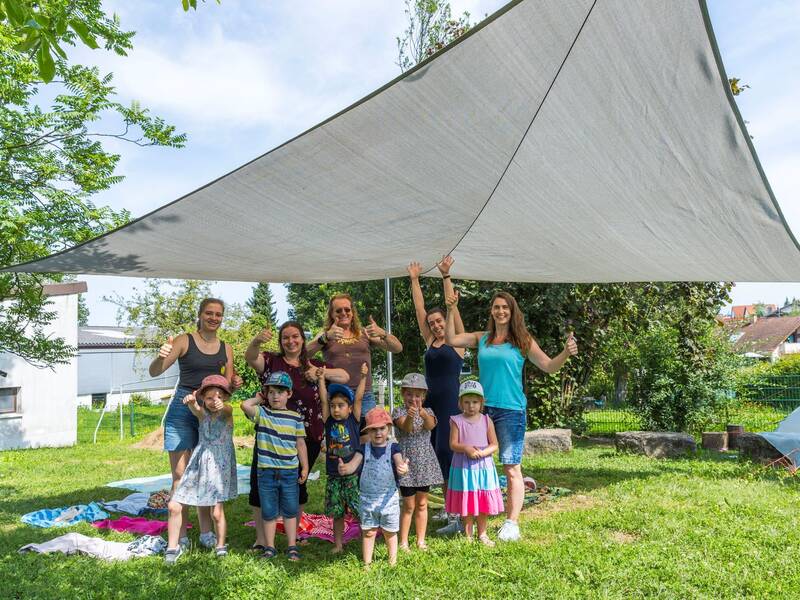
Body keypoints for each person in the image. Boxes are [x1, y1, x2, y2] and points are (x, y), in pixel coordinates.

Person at [445, 288, 577, 542]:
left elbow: (549, 367)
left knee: (511, 466)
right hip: (483, 412)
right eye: (496, 307)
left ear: (512, 311)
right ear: (492, 311)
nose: (501, 311)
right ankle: (468, 518)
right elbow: (451, 339)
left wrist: (565, 353)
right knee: (475, 465)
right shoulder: (482, 338)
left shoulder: (522, 341)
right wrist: (452, 308)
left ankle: (511, 523)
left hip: (511, 411)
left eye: (505, 307)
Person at [244, 321, 349, 551]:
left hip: (305, 435)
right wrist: (256, 341)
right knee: (259, 484)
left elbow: (344, 375)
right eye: (285, 338)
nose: (290, 341)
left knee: (298, 483)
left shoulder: (312, 364)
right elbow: (251, 357)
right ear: (281, 342)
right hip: (270, 436)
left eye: (295, 337)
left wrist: (321, 373)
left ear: (303, 339)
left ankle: (296, 533)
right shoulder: (272, 361)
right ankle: (262, 539)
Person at [149, 297, 240, 550]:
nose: (214, 318)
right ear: (200, 315)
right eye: (209, 313)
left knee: (206, 473)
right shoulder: (183, 340)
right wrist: (160, 356)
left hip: (210, 411)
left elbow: (227, 384)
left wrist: (235, 384)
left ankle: (206, 532)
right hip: (183, 406)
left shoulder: (227, 348)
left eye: (218, 314)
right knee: (180, 474)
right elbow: (154, 371)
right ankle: (181, 535)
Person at [408, 256, 465, 534]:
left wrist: (446, 276)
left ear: (446, 321)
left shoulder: (457, 342)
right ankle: (448, 506)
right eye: (432, 323)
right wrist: (415, 280)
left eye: (439, 321)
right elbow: (420, 309)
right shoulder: (430, 340)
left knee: (448, 453)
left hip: (451, 407)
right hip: (429, 406)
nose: (435, 325)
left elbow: (451, 305)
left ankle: (456, 511)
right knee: (432, 454)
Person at [165, 375, 237, 564]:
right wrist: (190, 401)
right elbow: (195, 409)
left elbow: (227, 410)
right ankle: (172, 549)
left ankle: (220, 545)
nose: (215, 401)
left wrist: (223, 406)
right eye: (210, 398)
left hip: (219, 467)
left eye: (219, 397)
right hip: (199, 464)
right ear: (203, 399)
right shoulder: (202, 414)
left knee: (216, 512)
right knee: (174, 504)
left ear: (226, 398)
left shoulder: (227, 413)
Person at [241, 371, 309, 561]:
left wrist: (304, 467)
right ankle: (269, 547)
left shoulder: (295, 418)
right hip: (267, 472)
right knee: (269, 511)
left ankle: (291, 546)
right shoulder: (263, 413)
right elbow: (244, 405)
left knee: (290, 510)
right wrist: (258, 398)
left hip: (289, 472)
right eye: (271, 392)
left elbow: (300, 444)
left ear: (289, 394)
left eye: (280, 391)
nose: (275, 396)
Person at [307, 293, 402, 421]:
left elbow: (397, 348)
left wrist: (383, 333)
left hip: (365, 395)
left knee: (367, 437)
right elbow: (303, 354)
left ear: (352, 313)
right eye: (338, 310)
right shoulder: (325, 334)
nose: (343, 313)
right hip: (337, 396)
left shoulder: (364, 333)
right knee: (339, 437)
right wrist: (326, 337)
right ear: (331, 314)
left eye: (347, 309)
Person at [445, 380, 503, 546]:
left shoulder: (486, 421)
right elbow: (453, 444)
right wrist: (467, 449)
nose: (471, 406)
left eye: (475, 402)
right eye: (467, 402)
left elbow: (495, 444)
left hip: (483, 467)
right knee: (468, 500)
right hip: (464, 467)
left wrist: (483, 453)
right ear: (460, 403)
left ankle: (482, 534)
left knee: (482, 500)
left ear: (481, 403)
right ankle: (468, 534)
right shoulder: (456, 420)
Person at [320, 363, 367, 554]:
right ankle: (338, 544)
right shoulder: (328, 420)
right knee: (336, 513)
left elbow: (359, 398)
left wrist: (363, 377)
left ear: (349, 408)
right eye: (333, 406)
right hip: (333, 475)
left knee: (359, 511)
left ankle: (366, 541)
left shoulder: (353, 420)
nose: (336, 410)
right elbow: (323, 401)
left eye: (340, 406)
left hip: (352, 476)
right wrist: (321, 379)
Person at [392, 373, 442, 551]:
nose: (413, 398)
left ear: (423, 396)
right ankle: (403, 541)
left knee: (422, 503)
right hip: (406, 464)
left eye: (417, 395)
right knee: (408, 504)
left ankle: (420, 540)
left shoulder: (428, 412)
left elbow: (430, 426)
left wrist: (421, 413)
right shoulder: (398, 412)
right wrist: (411, 416)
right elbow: (406, 428)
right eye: (409, 394)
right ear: (403, 394)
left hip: (425, 463)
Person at [359, 407, 409, 567]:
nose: (378, 432)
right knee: (369, 532)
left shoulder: (393, 447)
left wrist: (403, 468)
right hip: (367, 499)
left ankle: (392, 562)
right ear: (368, 432)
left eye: (382, 428)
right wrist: (346, 468)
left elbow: (399, 461)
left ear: (388, 428)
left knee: (389, 532)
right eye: (373, 429)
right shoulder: (363, 448)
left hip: (389, 500)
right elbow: (353, 464)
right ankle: (367, 564)